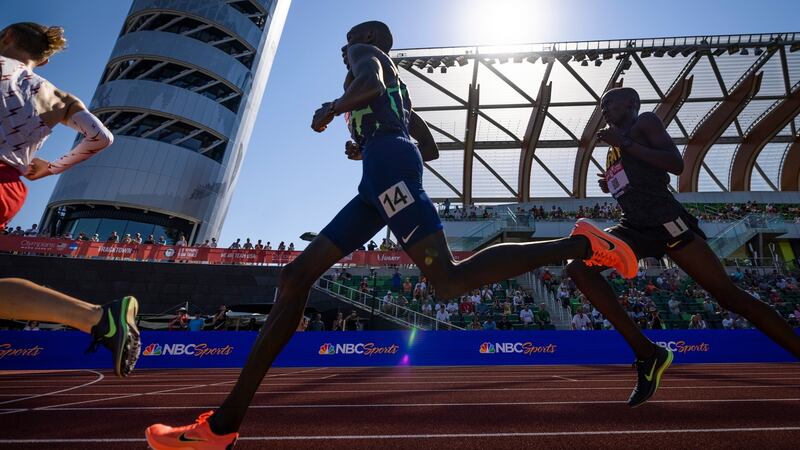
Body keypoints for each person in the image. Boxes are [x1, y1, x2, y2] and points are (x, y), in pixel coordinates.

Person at [145, 21, 639, 448]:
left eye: (346, 45)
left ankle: (582, 244)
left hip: (387, 172)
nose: (343, 52)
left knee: (447, 282)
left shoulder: (368, 55)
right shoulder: (401, 99)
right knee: (295, 277)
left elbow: (371, 83)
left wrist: (334, 109)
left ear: (363, 40)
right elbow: (429, 146)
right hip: (382, 174)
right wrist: (372, 144)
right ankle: (224, 425)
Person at [564, 87, 800, 408]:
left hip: (666, 222)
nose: (603, 109)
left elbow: (676, 164)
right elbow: (640, 177)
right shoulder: (614, 145)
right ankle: (648, 354)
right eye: (602, 105)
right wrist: (614, 181)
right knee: (578, 267)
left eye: (610, 103)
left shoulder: (643, 123)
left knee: (729, 297)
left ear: (631, 104)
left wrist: (628, 145)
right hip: (633, 226)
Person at [0, 22, 139, 377]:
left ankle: (96, 317)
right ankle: (95, 317)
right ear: (44, 61)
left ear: (7, 38)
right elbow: (101, 137)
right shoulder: (57, 97)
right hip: (9, 185)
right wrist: (52, 169)